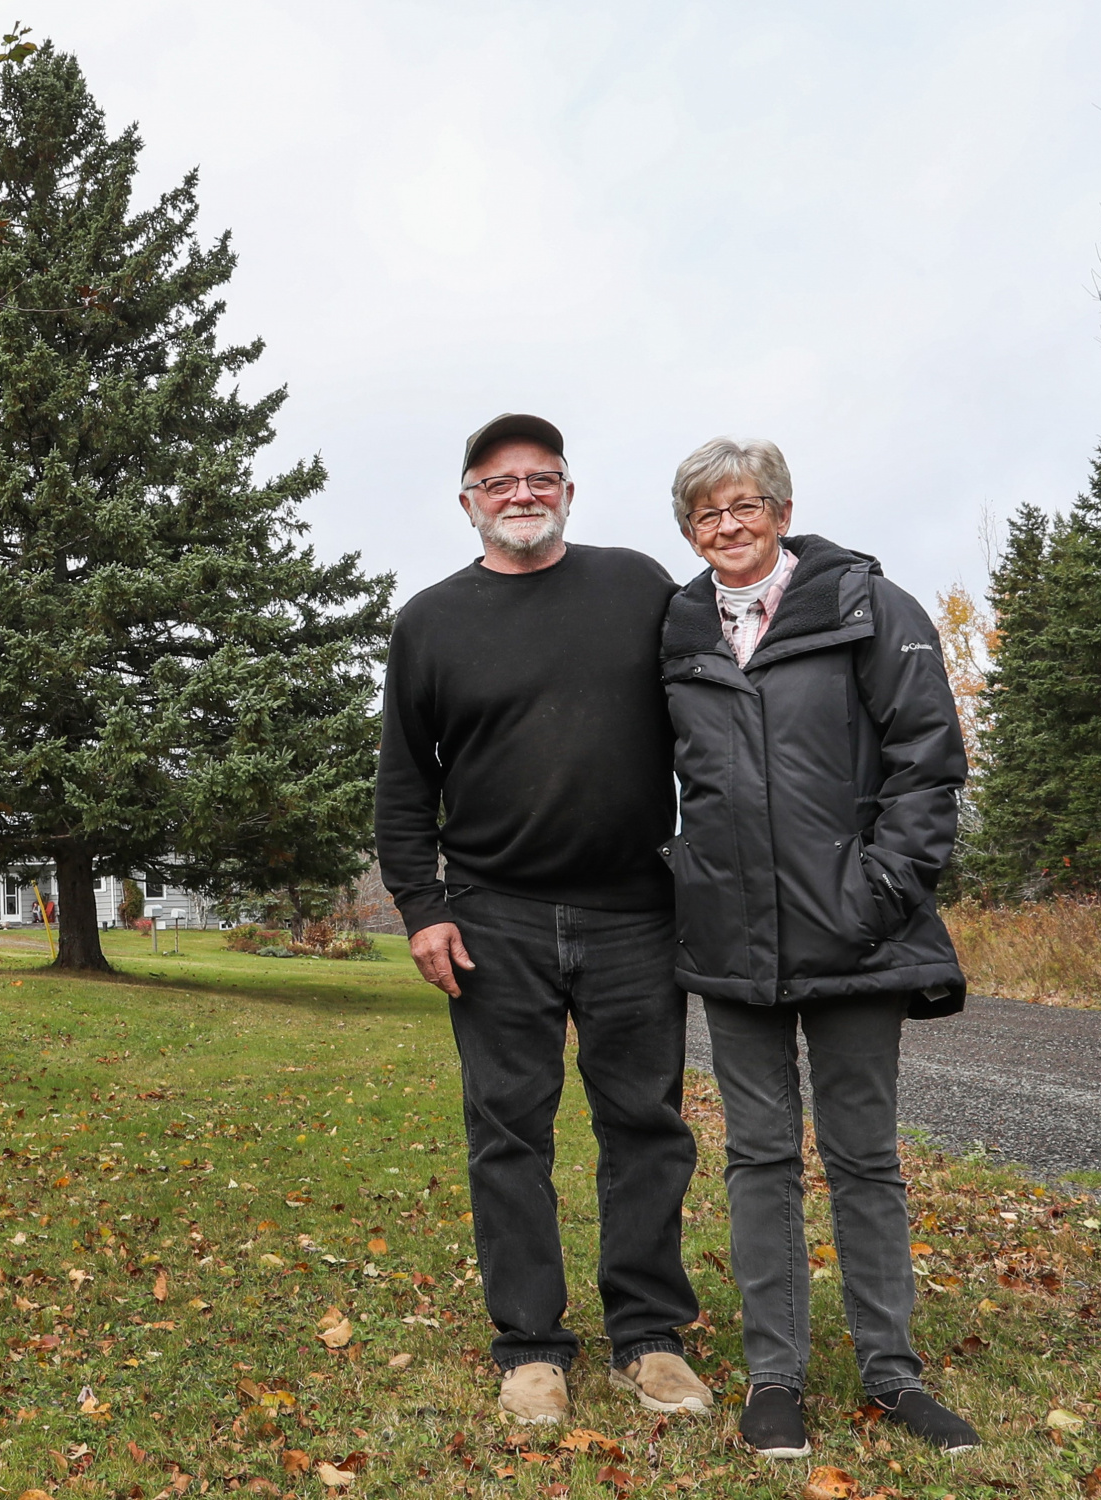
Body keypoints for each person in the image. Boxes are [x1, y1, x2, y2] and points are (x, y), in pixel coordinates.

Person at [376, 413, 710, 1427]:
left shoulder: (636, 586)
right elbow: (402, 786)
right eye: (497, 481)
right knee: (507, 1133)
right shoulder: (430, 622)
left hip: (634, 915)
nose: (520, 493)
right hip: (493, 917)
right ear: (468, 501)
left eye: (540, 477)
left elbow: (711, 713)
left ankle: (648, 1338)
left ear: (567, 491)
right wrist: (421, 908)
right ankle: (529, 1346)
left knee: (645, 1129)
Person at [658, 436, 981, 1458]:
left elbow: (926, 763)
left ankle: (890, 1374)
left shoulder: (865, 608)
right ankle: (774, 1379)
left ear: (781, 511)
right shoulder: (671, 631)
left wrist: (880, 889)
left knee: (861, 1158)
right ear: (688, 532)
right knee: (756, 1159)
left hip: (854, 935)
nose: (727, 527)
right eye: (705, 515)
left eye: (743, 506)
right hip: (731, 943)